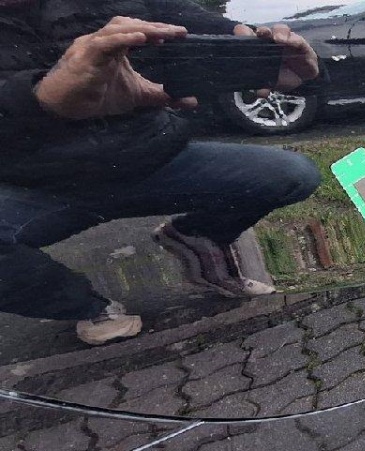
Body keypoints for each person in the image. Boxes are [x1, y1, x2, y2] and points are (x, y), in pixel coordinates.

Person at [0, 0, 323, 345]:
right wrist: (41, 100)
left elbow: (194, 22)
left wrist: (277, 60)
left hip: (155, 161)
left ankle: (196, 238)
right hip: (41, 188)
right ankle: (86, 306)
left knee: (292, 173)